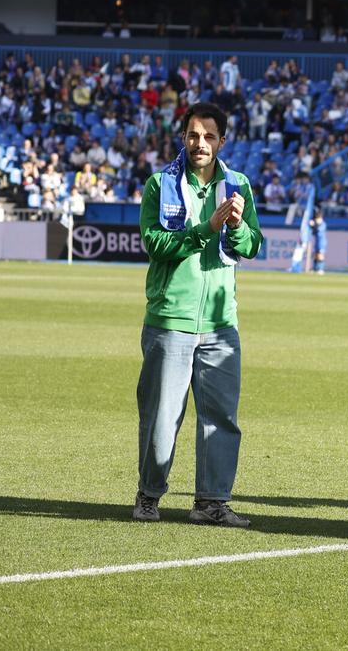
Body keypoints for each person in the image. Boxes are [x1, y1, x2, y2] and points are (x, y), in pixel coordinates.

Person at [133, 102, 263, 527]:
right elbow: (155, 244)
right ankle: (149, 494)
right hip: (170, 319)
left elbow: (252, 245)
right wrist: (206, 229)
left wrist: (237, 227)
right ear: (183, 138)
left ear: (222, 140)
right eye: (193, 135)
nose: (200, 143)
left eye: (209, 136)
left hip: (221, 324)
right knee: (161, 417)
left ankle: (211, 502)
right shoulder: (160, 184)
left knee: (221, 419)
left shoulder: (238, 184)